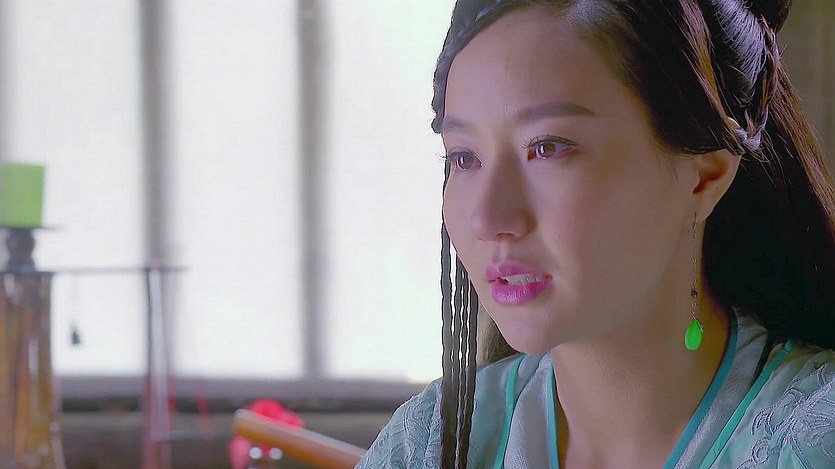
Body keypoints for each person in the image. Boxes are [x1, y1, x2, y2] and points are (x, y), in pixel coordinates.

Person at [356, 0, 835, 467]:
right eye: (464, 157)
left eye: (548, 148)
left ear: (703, 179)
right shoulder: (433, 442)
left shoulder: (813, 440)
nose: (487, 218)